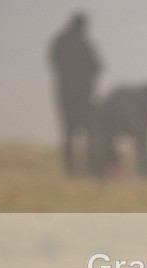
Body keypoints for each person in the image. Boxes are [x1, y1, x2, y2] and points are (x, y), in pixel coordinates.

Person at [49, 13, 101, 175]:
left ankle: (74, 167)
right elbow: (97, 66)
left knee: (72, 132)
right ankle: (80, 166)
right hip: (80, 95)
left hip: (70, 94)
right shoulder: (81, 44)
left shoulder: (62, 42)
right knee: (83, 131)